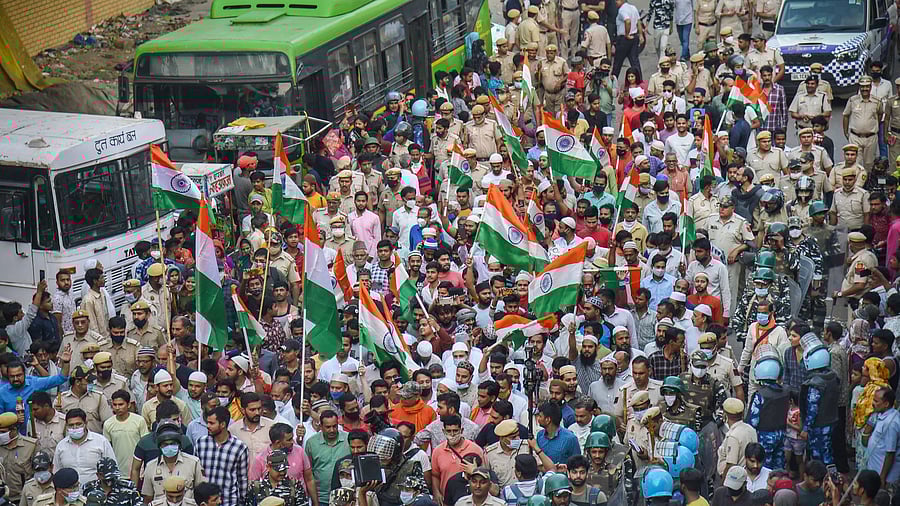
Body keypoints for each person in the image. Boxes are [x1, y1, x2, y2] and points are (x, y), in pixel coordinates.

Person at [196, 406, 250, 506]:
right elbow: (196, 473)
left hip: (229, 501)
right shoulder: (201, 443)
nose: (208, 426)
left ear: (223, 424)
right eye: (207, 422)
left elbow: (242, 479)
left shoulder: (239, 447)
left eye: (212, 423)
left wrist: (242, 501)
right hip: (206, 502)